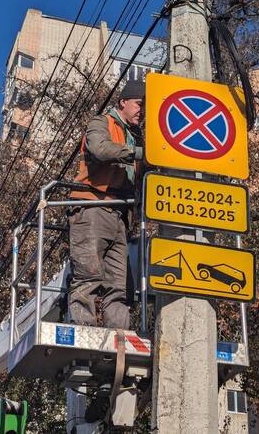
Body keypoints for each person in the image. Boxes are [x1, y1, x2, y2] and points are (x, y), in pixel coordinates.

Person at [67, 80, 145, 330]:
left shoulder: (136, 137)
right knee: (88, 276)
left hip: (119, 215)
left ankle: (119, 338)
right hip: (92, 207)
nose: (141, 111)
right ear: (123, 102)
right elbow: (100, 149)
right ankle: (85, 333)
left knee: (119, 285)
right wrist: (139, 153)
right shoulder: (102, 123)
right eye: (139, 104)